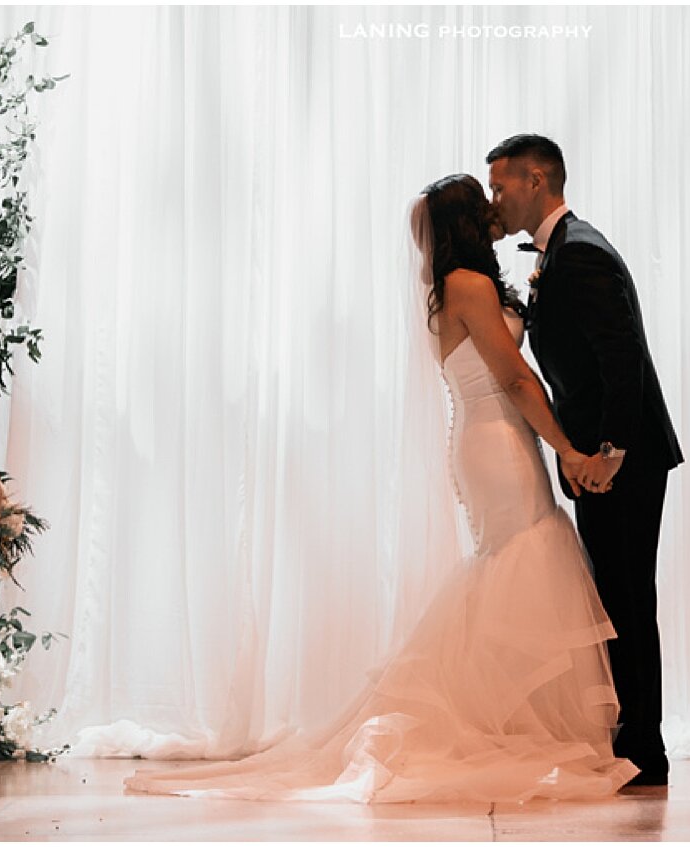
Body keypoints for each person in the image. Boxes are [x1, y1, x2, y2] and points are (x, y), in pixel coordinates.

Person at [126, 173, 637, 803]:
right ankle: (496, 721)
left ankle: (506, 716)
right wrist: (569, 450)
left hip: (489, 441)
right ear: (467, 224)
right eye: (485, 206)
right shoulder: (468, 285)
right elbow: (514, 379)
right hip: (498, 444)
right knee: (525, 558)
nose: (495, 211)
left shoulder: (453, 285)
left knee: (509, 567)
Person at [485, 134, 683, 785]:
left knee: (626, 599)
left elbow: (621, 358)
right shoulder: (565, 251)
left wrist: (608, 452)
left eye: (501, 185)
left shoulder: (581, 255)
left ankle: (644, 749)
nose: (496, 199)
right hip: (606, 457)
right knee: (619, 597)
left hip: (619, 459)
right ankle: (633, 737)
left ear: (535, 179)